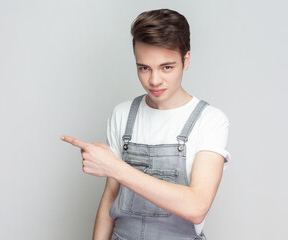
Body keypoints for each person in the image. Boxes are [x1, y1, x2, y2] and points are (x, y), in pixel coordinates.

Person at [61, 8, 230, 240]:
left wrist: (115, 167)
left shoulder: (210, 120)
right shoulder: (122, 115)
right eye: (144, 68)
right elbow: (111, 198)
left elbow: (196, 206)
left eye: (166, 67)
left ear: (186, 60)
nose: (154, 80)